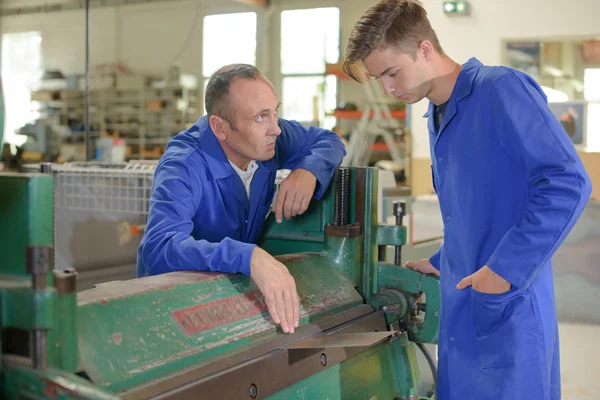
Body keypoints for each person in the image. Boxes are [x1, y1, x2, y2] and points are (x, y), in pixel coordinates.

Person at [343, 1, 592, 399]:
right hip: (462, 314)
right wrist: (445, 259)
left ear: (425, 49)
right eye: (379, 80)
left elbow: (567, 182)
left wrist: (505, 269)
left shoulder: (500, 90)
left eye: (392, 73)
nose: (388, 89)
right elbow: (475, 212)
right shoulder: (435, 115)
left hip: (508, 312)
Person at [137, 64, 346, 335]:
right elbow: (159, 249)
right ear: (220, 127)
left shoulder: (266, 142)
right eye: (261, 117)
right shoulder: (183, 165)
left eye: (276, 112)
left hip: (228, 298)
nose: (277, 129)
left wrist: (308, 171)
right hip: (171, 311)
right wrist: (247, 257)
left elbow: (329, 141)